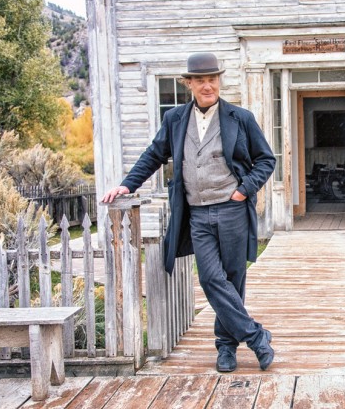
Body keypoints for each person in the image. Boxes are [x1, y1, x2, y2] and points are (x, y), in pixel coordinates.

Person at [102, 52, 276, 372]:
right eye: (200, 80)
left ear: (218, 81)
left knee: (233, 281)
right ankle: (256, 336)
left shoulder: (241, 118)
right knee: (210, 278)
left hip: (232, 210)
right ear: (189, 84)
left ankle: (226, 349)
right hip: (197, 214)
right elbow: (154, 155)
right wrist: (127, 185)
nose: (207, 85)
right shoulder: (175, 119)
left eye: (212, 79)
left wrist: (244, 189)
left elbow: (266, 159)